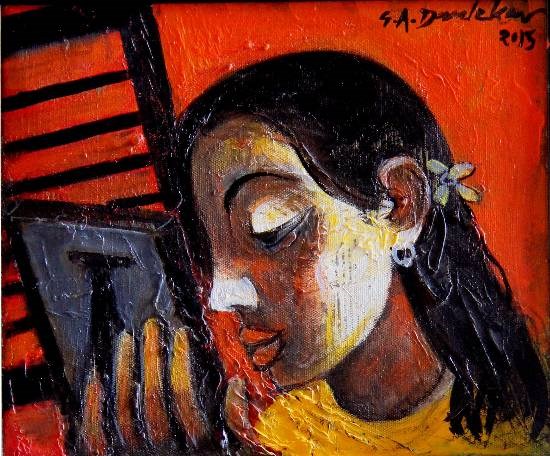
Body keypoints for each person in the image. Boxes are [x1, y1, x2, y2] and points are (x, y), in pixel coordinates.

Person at [82, 51, 548, 455]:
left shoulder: (530, 414)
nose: (221, 295)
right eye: (210, 253)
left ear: (400, 205)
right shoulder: (276, 434)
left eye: (271, 230)